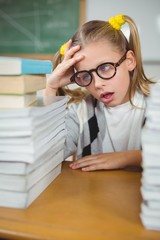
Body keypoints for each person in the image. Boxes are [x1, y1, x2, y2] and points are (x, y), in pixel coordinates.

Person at [44, 14, 154, 171]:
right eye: (86, 76)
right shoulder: (81, 112)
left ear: (129, 61)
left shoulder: (154, 105)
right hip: (93, 194)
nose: (97, 84)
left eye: (105, 67)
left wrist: (128, 157)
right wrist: (51, 87)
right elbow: (47, 155)